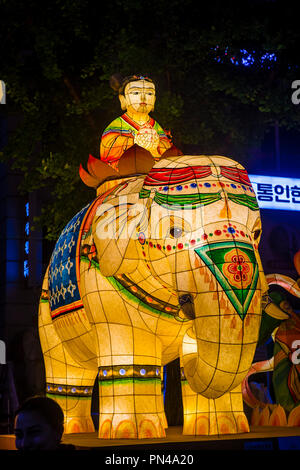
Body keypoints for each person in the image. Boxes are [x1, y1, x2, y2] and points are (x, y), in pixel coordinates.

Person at [100, 74, 172, 170]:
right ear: (123, 100)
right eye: (136, 93)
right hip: (127, 172)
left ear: (154, 100)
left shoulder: (156, 127)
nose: (143, 98)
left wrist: (157, 144)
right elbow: (107, 145)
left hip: (155, 172)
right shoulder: (118, 125)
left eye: (149, 94)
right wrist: (135, 142)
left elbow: (167, 149)